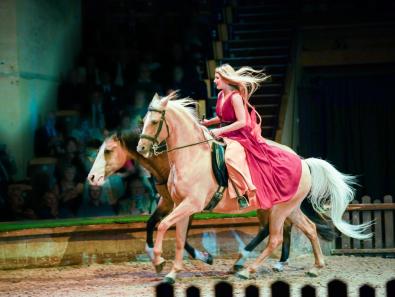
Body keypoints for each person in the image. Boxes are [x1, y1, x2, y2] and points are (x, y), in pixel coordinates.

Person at [201, 64, 302, 210]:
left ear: (225, 79)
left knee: (230, 158)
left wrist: (219, 131)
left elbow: (241, 122)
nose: (215, 81)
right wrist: (209, 122)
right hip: (223, 132)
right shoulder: (221, 95)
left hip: (237, 135)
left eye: (217, 78)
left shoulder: (235, 97)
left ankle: (243, 193)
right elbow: (222, 115)